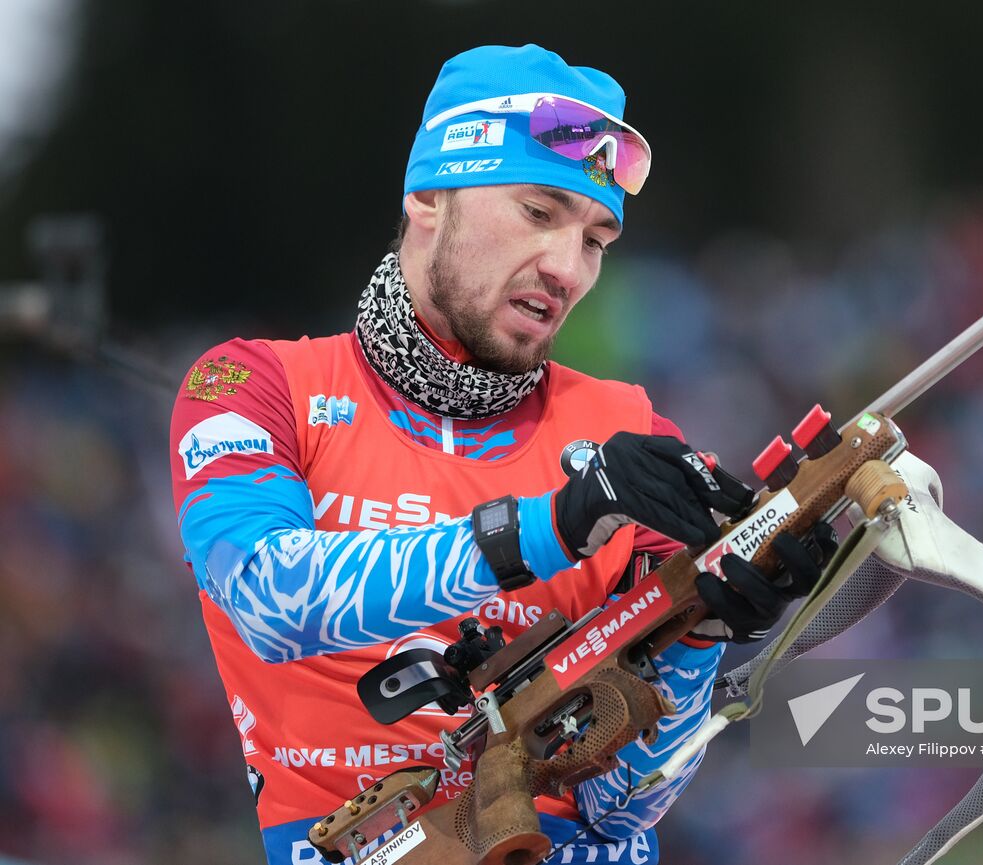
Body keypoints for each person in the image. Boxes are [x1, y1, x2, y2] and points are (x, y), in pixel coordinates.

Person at [168, 44, 828, 865]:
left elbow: (623, 807)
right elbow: (270, 597)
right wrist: (553, 523)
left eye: (595, 240)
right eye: (539, 211)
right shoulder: (254, 384)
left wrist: (706, 633)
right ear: (428, 197)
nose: (566, 267)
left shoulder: (627, 428)